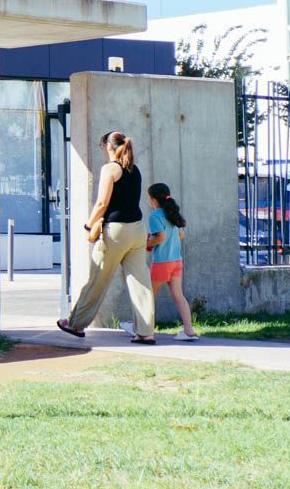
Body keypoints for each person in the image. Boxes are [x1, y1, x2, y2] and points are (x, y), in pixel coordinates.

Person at [56, 131, 156, 342]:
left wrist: (88, 225)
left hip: (116, 232)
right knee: (141, 283)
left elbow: (102, 203)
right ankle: (146, 333)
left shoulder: (110, 169)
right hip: (138, 230)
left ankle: (75, 324)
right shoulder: (134, 169)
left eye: (102, 147)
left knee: (97, 280)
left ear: (108, 147)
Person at [145, 182, 199, 341]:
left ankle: (142, 329)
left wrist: (145, 243)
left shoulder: (155, 215)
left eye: (149, 197)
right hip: (176, 262)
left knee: (148, 296)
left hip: (162, 262)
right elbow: (181, 235)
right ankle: (189, 331)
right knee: (178, 295)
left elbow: (160, 237)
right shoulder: (171, 213)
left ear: (154, 200)